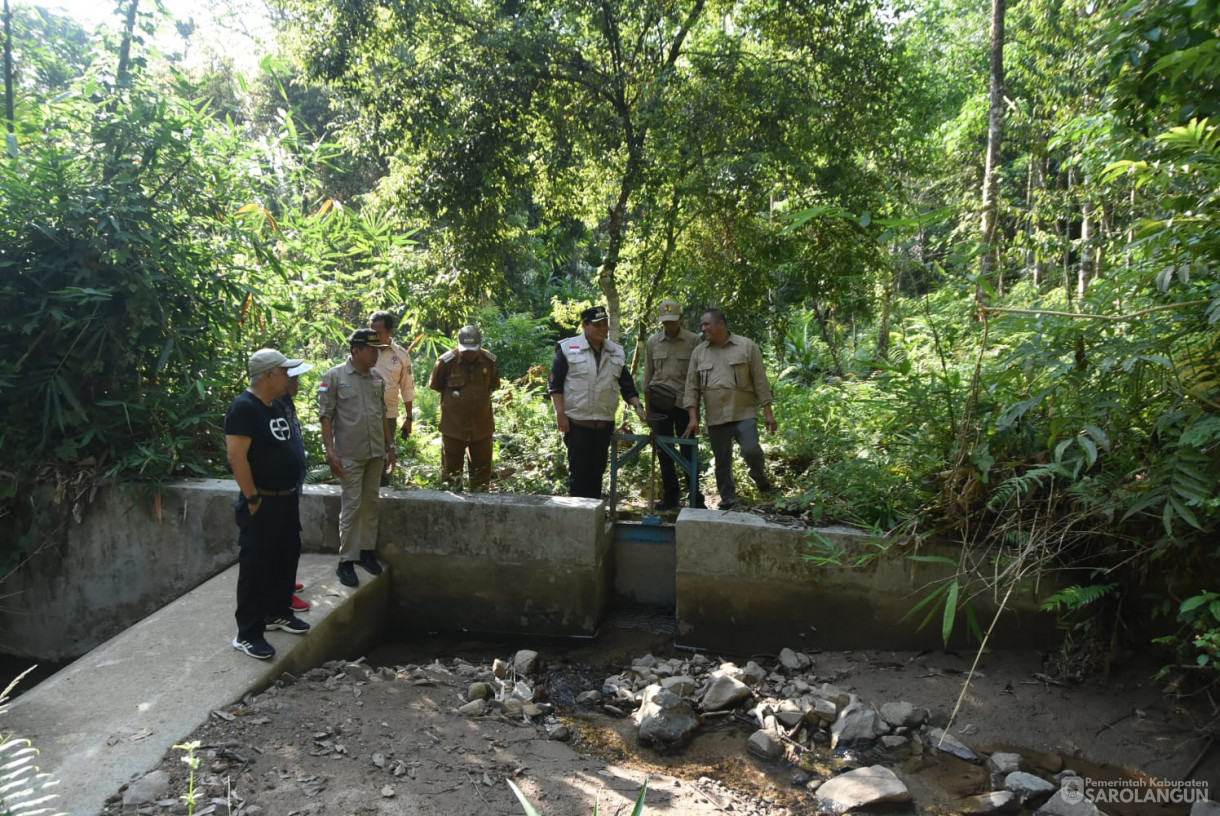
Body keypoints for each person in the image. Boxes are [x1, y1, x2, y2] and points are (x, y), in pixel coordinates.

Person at [225, 348, 312, 660]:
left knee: (286, 555)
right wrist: (251, 497)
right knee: (256, 566)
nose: (289, 377)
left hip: (286, 499)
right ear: (269, 375)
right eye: (284, 371)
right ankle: (247, 634)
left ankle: (278, 612)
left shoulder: (274, 405)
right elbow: (237, 457)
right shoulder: (244, 408)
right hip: (261, 501)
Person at [319, 329, 397, 588]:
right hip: (350, 454)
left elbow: (383, 413)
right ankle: (346, 561)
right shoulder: (334, 377)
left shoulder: (376, 378)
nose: (376, 355)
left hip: (375, 452)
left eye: (378, 349)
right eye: (372, 350)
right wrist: (330, 451)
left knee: (371, 503)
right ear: (356, 351)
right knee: (351, 506)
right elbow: (326, 416)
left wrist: (391, 446)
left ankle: (366, 552)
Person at [548, 305, 647, 499]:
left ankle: (594, 519)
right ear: (585, 326)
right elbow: (555, 385)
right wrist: (560, 415)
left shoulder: (616, 352)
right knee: (579, 476)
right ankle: (578, 521)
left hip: (603, 425)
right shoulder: (569, 348)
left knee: (597, 474)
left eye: (605, 325)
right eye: (597, 325)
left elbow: (627, 385)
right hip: (577, 424)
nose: (603, 329)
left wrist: (638, 407)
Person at [682, 308, 778, 510]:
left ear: (721, 324)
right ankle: (728, 499)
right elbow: (691, 387)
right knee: (722, 461)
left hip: (744, 413)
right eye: (702, 324)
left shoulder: (746, 346)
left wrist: (768, 413)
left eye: (707, 324)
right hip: (716, 417)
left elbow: (761, 381)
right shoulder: (699, 352)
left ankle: (761, 480)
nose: (703, 328)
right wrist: (693, 417)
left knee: (752, 451)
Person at [643, 298, 704, 510]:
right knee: (664, 450)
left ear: (680, 318)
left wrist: (695, 412)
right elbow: (647, 378)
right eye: (665, 322)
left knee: (688, 451)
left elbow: (697, 378)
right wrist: (648, 411)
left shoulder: (693, 341)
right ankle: (671, 496)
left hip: (684, 404)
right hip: (660, 405)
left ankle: (695, 497)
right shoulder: (653, 342)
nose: (669, 325)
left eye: (672, 321)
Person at [428, 325, 501, 491]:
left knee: (482, 480)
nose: (469, 353)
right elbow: (437, 386)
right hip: (453, 429)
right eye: (465, 350)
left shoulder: (490, 361)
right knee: (451, 479)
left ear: (480, 344)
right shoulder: (445, 362)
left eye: (473, 350)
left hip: (482, 429)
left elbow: (493, 385)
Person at [276, 362, 313, 613]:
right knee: (283, 542)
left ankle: (286, 584)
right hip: (278, 491)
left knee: (290, 540)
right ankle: (282, 592)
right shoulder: (275, 406)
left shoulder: (287, 404)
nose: (298, 384)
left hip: (291, 486)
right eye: (294, 380)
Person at [370, 310, 415, 486]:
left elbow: (407, 389)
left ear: (390, 332)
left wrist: (409, 418)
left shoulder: (401, 356)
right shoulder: (363, 350)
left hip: (388, 415)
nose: (374, 336)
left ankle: (383, 488)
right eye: (371, 331)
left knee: (386, 455)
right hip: (363, 412)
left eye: (378, 332)